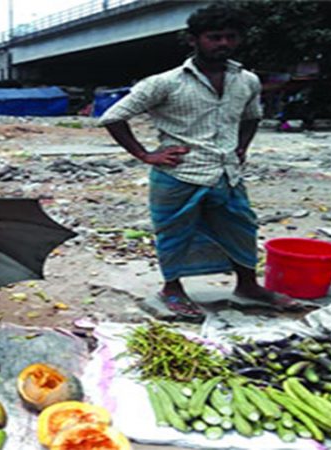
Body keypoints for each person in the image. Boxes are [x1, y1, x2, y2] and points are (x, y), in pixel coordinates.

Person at [98, 3, 302, 321]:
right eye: (214, 37)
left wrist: (241, 149)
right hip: (179, 173)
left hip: (227, 173)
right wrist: (145, 154)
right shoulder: (164, 82)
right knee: (174, 232)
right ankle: (172, 290)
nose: (223, 43)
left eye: (230, 37)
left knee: (241, 228)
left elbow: (252, 117)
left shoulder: (246, 80)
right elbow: (114, 116)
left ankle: (248, 287)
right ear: (194, 40)